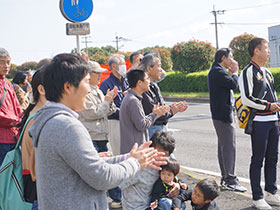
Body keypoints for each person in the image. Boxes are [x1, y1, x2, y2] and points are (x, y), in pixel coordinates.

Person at [28, 53, 168, 210]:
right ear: (68, 87)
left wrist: (128, 157)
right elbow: (102, 177)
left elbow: (89, 167)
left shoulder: (53, 121)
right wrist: (135, 163)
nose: (89, 89)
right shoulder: (66, 126)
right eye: (86, 82)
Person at [238, 38, 280, 210]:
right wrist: (268, 106)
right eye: (266, 48)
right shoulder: (247, 71)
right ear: (256, 51)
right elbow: (246, 98)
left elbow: (273, 96)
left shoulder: (267, 72)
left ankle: (271, 191)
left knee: (273, 157)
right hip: (259, 121)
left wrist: (277, 114)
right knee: (258, 159)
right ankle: (257, 196)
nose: (269, 51)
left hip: (272, 120)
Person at [208, 48, 247, 193]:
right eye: (230, 57)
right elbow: (233, 84)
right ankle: (230, 180)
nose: (232, 60)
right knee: (228, 147)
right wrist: (235, 72)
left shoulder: (216, 70)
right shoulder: (217, 71)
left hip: (220, 115)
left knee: (224, 147)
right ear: (223, 58)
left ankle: (226, 179)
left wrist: (231, 74)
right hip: (223, 116)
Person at [120, 131, 180, 210]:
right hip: (136, 207)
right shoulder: (140, 166)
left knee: (176, 203)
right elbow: (119, 184)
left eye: (165, 155)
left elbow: (175, 175)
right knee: (166, 203)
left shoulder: (165, 165)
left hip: (153, 205)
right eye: (156, 153)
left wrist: (177, 185)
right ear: (150, 149)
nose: (160, 158)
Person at [99, 54, 128, 208]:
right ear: (114, 67)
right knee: (118, 157)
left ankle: (127, 193)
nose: (125, 66)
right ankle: (118, 196)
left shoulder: (126, 81)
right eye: (122, 64)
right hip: (115, 123)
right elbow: (108, 108)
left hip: (127, 123)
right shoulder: (106, 84)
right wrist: (123, 110)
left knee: (129, 157)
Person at [19, 63, 50, 210]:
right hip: (38, 184)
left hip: (33, 181)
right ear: (42, 89)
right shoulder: (39, 117)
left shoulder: (35, 112)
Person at [120, 69, 170, 154]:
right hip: (134, 151)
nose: (149, 82)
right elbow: (141, 125)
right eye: (147, 79)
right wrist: (155, 114)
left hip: (134, 149)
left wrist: (154, 114)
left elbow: (139, 121)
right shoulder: (133, 100)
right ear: (139, 83)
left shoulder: (132, 98)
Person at [140, 53, 188, 139]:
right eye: (159, 66)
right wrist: (172, 111)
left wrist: (173, 108)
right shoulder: (142, 89)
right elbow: (155, 114)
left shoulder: (154, 85)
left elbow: (162, 107)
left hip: (161, 129)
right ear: (149, 68)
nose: (161, 70)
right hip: (152, 131)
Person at [78, 61, 117, 153]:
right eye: (97, 73)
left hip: (102, 137)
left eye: (101, 73)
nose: (100, 75)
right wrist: (107, 102)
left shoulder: (98, 90)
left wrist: (110, 101)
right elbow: (91, 113)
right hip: (91, 138)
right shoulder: (84, 91)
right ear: (87, 74)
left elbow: (110, 111)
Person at [0, 48, 22, 166]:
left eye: (8, 62)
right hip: (2, 140)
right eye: (2, 62)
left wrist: (24, 117)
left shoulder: (8, 84)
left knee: (11, 179)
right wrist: (14, 121)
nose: (6, 65)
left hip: (13, 137)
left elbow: (17, 107)